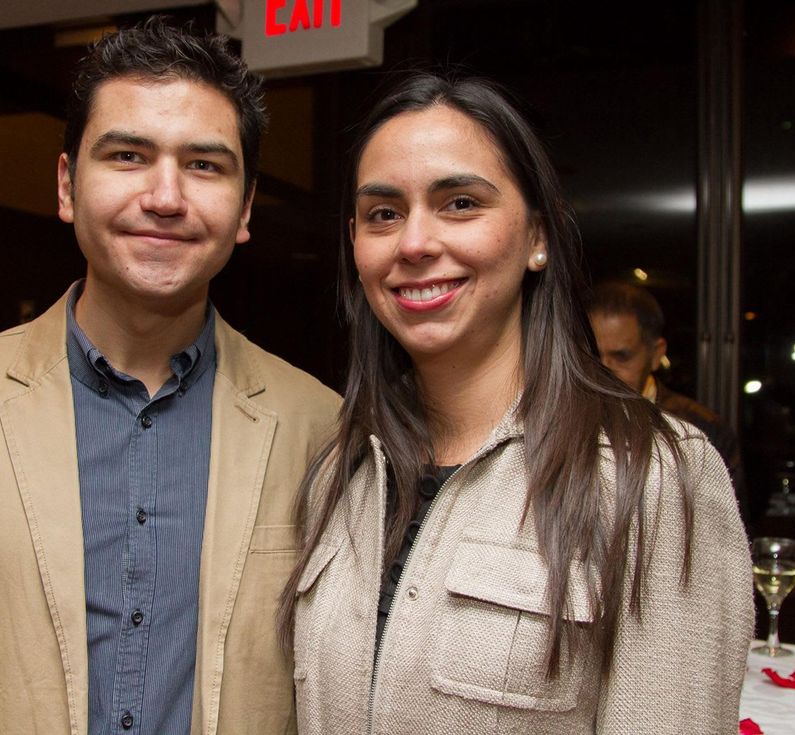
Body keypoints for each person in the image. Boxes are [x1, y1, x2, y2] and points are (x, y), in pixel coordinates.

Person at [0, 17, 339, 735]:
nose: (165, 196)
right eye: (128, 155)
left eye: (205, 165)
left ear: (245, 206)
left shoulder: (322, 427)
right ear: (68, 185)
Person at [279, 72, 752, 734]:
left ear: (538, 237)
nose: (414, 242)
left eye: (461, 203)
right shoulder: (341, 468)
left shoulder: (654, 474)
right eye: (384, 213)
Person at [588, 280, 747, 522]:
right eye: (593, 356)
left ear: (656, 354)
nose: (604, 369)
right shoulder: (561, 420)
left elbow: (728, 534)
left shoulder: (702, 431)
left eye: (622, 356)